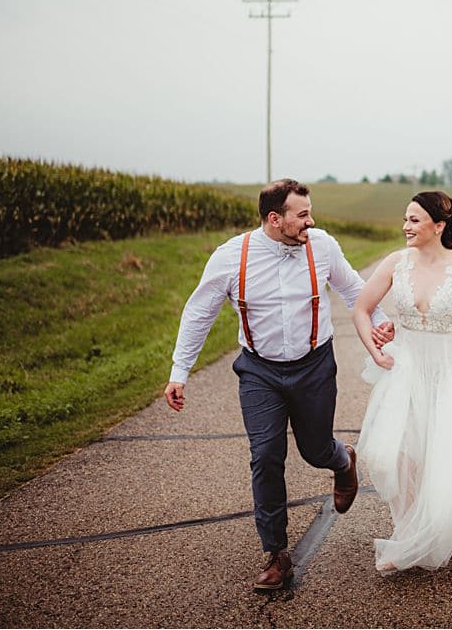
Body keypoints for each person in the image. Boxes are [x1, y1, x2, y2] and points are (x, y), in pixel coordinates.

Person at [164, 179, 394, 591]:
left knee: (315, 448)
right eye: (302, 214)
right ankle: (277, 555)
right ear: (276, 219)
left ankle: (343, 461)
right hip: (259, 371)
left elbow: (353, 290)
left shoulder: (321, 245)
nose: (311, 220)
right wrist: (179, 371)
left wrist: (379, 325)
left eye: (310, 213)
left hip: (314, 364)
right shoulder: (231, 256)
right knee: (266, 455)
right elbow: (199, 311)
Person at [353, 190, 452, 573]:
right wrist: (374, 348)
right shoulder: (394, 263)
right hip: (406, 363)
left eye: (415, 220)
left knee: (449, 446)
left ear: (438, 226)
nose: (406, 227)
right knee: (399, 452)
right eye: (405, 219)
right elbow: (361, 308)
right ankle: (407, 534)